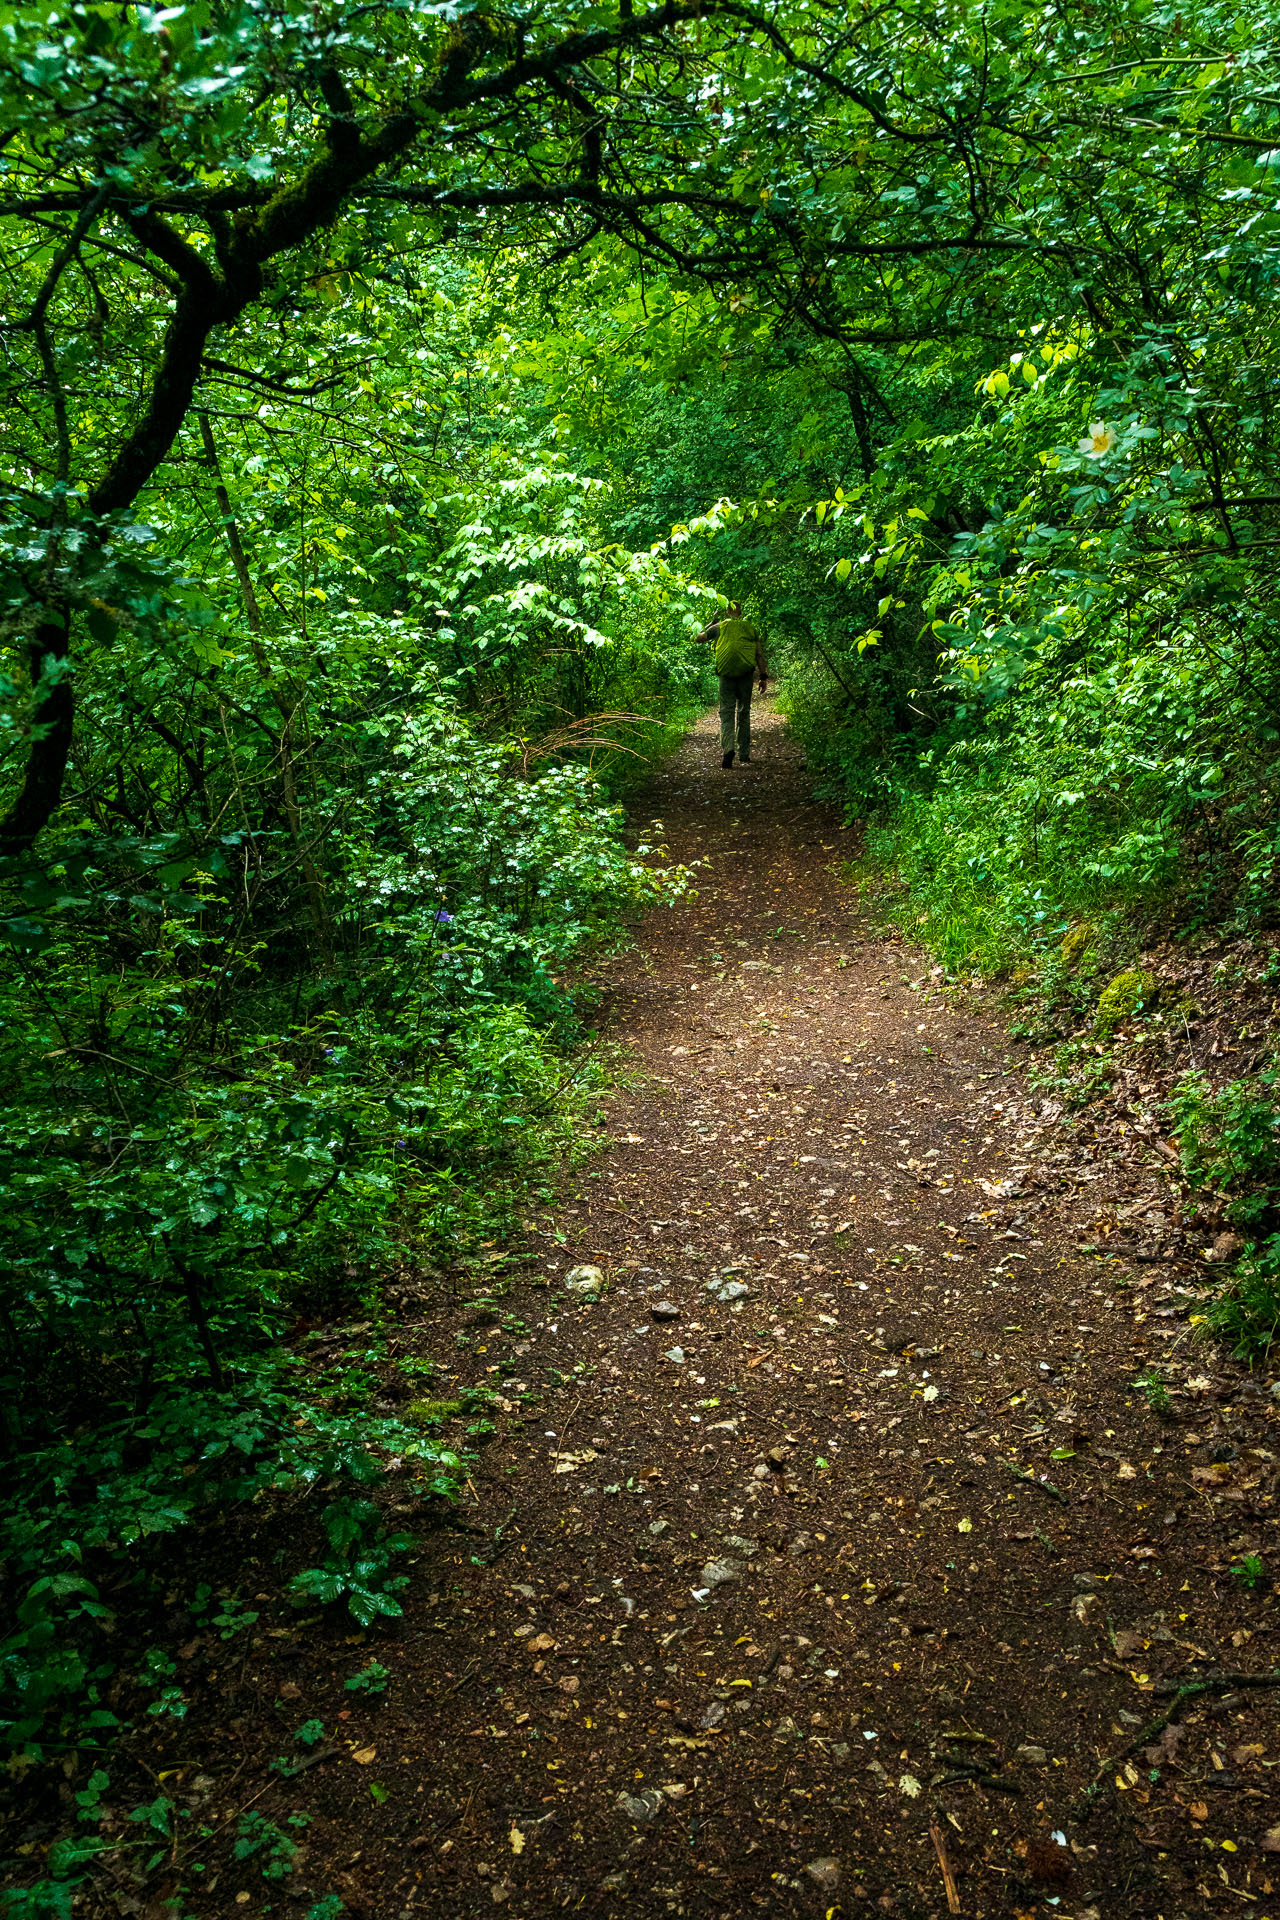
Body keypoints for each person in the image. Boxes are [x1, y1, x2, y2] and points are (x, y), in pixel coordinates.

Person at [697, 600, 768, 768]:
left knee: (727, 713)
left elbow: (698, 638)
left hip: (726, 675)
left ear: (727, 612)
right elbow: (759, 655)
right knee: (744, 712)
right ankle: (744, 753)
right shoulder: (750, 628)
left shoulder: (718, 627)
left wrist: (710, 623)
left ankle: (728, 749)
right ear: (740, 612)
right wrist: (763, 676)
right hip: (746, 674)